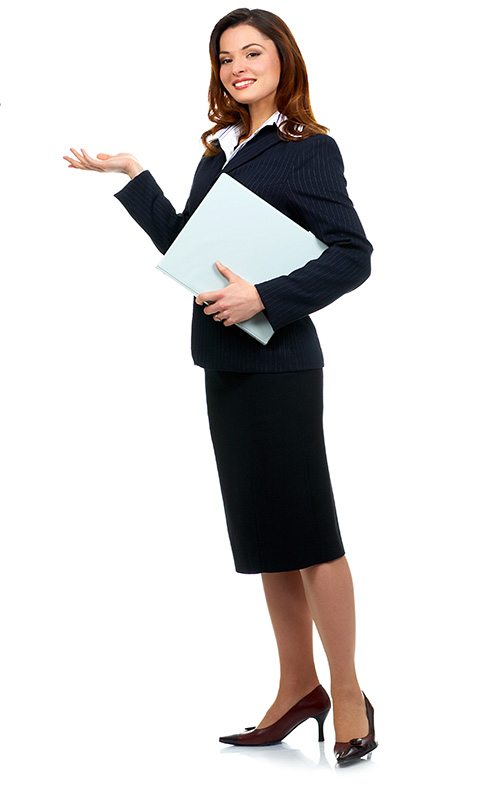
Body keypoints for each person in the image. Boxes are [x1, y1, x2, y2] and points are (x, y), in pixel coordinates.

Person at [62, 7, 378, 766]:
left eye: (253, 52)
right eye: (226, 57)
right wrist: (136, 178)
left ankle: (346, 691)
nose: (239, 66)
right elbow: (191, 250)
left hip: (283, 362)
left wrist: (264, 295)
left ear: (281, 60)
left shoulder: (308, 150)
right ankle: (295, 685)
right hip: (226, 364)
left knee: (312, 533)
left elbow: (353, 254)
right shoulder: (220, 152)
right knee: (267, 536)